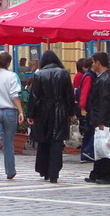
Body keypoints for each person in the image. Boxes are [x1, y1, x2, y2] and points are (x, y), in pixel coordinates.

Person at [28, 50, 76, 183]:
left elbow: (34, 96)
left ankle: (44, 170)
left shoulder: (39, 74)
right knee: (57, 141)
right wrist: (72, 112)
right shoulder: (64, 73)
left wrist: (30, 114)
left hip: (43, 110)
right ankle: (54, 172)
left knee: (44, 140)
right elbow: (69, 95)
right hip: (60, 109)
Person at [0, 52, 24, 182]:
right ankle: (10, 171)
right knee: (9, 143)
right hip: (9, 111)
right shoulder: (12, 76)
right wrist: (20, 111)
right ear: (9, 63)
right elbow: (15, 95)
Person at [85, 52, 110, 184]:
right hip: (104, 118)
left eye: (93, 62)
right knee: (99, 146)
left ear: (98, 63)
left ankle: (108, 175)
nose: (92, 65)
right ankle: (97, 172)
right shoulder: (104, 78)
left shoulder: (104, 80)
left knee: (105, 147)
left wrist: (101, 121)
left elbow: (104, 102)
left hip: (105, 120)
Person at [77, 58, 96, 163]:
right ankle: (87, 151)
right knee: (91, 130)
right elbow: (84, 93)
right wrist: (83, 107)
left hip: (88, 107)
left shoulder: (89, 75)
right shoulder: (89, 76)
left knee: (88, 131)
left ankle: (85, 153)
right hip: (89, 108)